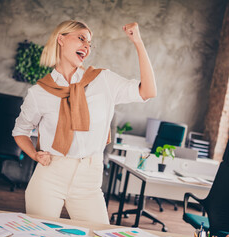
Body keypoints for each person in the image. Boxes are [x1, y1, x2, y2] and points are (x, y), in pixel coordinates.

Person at [12, 20, 156, 224]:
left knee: (99, 235)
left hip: (89, 180)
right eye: (81, 39)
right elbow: (20, 131)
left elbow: (148, 91)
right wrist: (35, 154)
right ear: (61, 39)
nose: (87, 46)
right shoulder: (39, 92)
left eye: (89, 43)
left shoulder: (102, 80)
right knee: (38, 235)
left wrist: (138, 43)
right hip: (50, 175)